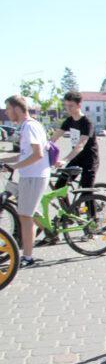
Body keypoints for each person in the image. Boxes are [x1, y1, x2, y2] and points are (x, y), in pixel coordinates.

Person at [1, 95, 49, 267]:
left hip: (34, 176)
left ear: (17, 109)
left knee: (25, 216)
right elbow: (25, 154)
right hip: (29, 176)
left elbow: (38, 154)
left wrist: (15, 167)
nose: (6, 113)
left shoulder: (29, 127)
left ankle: (27, 257)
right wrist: (5, 160)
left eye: (8, 109)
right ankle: (50, 231)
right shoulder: (27, 126)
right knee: (28, 212)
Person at [50, 91, 99, 190]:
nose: (68, 109)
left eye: (71, 106)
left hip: (89, 159)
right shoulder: (69, 121)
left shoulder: (87, 123)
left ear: (79, 105)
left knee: (86, 191)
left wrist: (64, 160)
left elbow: (80, 145)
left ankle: (90, 204)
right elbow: (54, 137)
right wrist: (43, 148)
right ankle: (71, 206)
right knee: (59, 186)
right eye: (66, 106)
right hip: (76, 158)